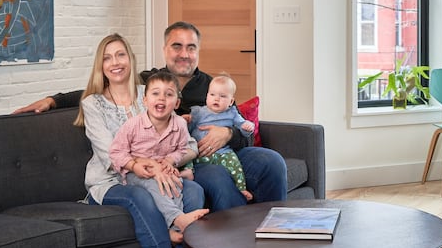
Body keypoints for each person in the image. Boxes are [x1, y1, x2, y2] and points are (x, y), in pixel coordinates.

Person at [14, 21, 287, 211]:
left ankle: (276, 233)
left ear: (198, 51)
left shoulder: (213, 86)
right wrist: (53, 100)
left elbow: (241, 127)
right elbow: (101, 89)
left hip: (224, 149)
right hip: (186, 158)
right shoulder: (148, 82)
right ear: (165, 50)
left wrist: (228, 133)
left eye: (191, 47)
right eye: (176, 46)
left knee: (271, 161)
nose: (184, 54)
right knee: (214, 177)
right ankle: (232, 247)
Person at [73, 34, 204, 248]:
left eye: (120, 54)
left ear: (130, 59)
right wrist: (144, 165)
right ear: (101, 65)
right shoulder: (93, 104)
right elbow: (108, 152)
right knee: (140, 196)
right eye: (107, 58)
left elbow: (190, 145)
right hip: (111, 182)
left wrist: (169, 163)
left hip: (155, 176)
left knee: (191, 189)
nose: (115, 62)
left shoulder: (151, 92)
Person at [110, 70, 210, 235]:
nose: (161, 98)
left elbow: (182, 149)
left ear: (177, 103)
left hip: (164, 169)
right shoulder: (132, 125)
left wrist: (171, 161)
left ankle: (173, 229)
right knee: (155, 185)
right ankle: (178, 220)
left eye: (168, 94)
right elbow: (116, 152)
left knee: (174, 185)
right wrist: (134, 166)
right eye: (155, 93)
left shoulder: (179, 124)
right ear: (145, 100)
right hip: (137, 173)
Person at [188, 74, 254, 202]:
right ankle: (187, 171)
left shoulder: (232, 113)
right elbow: (187, 130)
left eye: (222, 96)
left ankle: (241, 187)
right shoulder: (198, 112)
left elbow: (243, 129)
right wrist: (186, 121)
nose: (216, 99)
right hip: (199, 153)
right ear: (206, 96)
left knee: (235, 164)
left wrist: (246, 128)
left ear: (231, 101)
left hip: (224, 152)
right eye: (212, 95)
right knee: (186, 155)